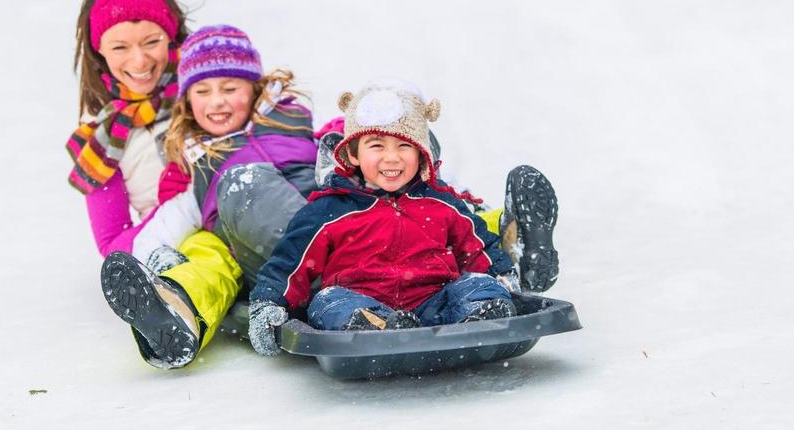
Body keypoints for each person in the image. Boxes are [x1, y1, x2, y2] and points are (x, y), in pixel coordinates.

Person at [248, 81, 532, 355]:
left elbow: (478, 246)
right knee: (327, 302)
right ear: (352, 153)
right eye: (376, 145)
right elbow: (289, 264)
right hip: (358, 300)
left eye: (404, 146)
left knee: (477, 286)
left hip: (434, 302)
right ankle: (374, 327)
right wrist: (268, 304)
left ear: (422, 153)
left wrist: (503, 279)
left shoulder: (440, 202)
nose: (392, 158)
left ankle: (481, 316)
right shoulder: (329, 209)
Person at [98, 24, 318, 368]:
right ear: (187, 100)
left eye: (230, 88)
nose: (216, 101)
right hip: (269, 263)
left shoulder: (292, 122)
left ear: (255, 89)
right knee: (219, 231)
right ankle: (174, 310)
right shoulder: (196, 167)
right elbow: (167, 221)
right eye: (202, 91)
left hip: (331, 232)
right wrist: (156, 257)